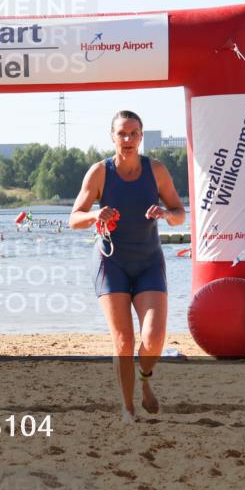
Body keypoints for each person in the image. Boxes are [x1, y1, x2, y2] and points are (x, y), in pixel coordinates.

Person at [69, 110, 185, 423]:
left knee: (154, 338)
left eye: (134, 133)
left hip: (148, 261)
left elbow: (179, 213)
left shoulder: (156, 170)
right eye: (122, 133)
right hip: (111, 262)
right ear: (112, 137)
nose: (128, 139)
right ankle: (127, 407)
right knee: (124, 340)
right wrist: (95, 216)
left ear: (141, 136)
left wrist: (165, 214)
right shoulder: (99, 172)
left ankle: (145, 378)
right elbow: (74, 219)